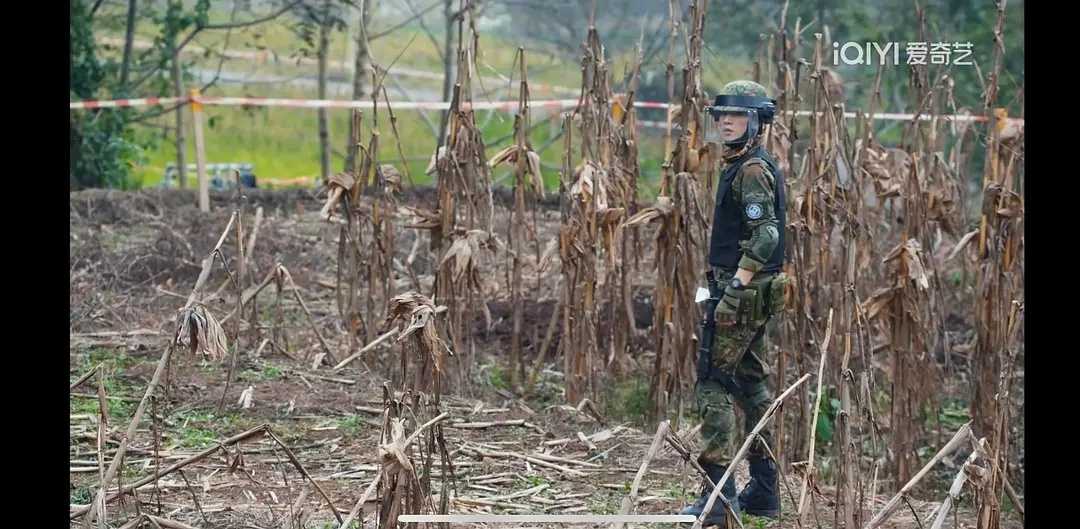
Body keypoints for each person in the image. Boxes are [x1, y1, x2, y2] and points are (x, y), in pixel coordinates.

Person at [680, 80, 789, 526]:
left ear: (756, 122)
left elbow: (767, 234)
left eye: (737, 116)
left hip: (742, 294)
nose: (726, 122)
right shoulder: (745, 164)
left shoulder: (750, 170)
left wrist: (735, 288)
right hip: (751, 293)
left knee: (714, 382)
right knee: (750, 384)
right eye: (722, 115)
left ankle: (718, 500)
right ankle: (763, 491)